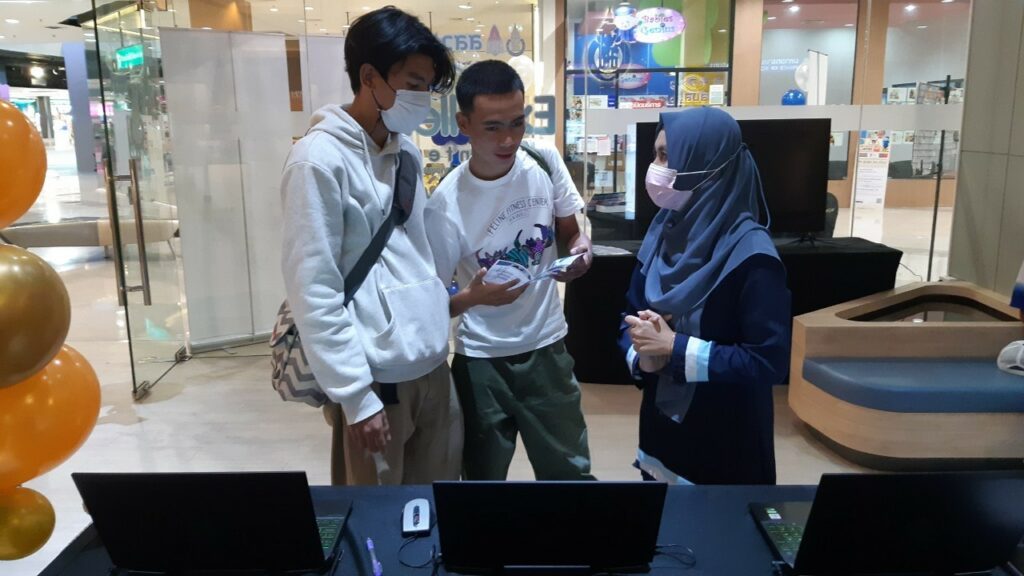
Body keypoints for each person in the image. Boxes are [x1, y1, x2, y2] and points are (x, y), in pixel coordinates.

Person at [280, 7, 462, 485]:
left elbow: (419, 251)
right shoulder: (316, 161)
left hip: (432, 365)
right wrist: (356, 396)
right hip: (376, 378)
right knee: (375, 516)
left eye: (427, 87)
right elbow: (313, 287)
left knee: (436, 504)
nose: (422, 98)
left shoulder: (406, 151)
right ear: (369, 77)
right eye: (413, 83)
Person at [424, 60, 595, 481]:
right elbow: (431, 305)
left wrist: (580, 251)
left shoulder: (542, 160)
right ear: (464, 124)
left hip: (547, 346)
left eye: (517, 123)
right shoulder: (446, 203)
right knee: (480, 481)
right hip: (480, 359)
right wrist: (472, 298)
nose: (508, 139)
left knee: (570, 474)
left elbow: (571, 232)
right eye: (493, 127)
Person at [619, 107, 791, 485]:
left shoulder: (752, 257)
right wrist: (643, 356)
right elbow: (629, 317)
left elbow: (768, 361)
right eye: (655, 155)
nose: (655, 168)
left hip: (725, 441)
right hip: (662, 430)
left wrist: (675, 347)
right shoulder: (662, 232)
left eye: (666, 156)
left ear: (705, 165)